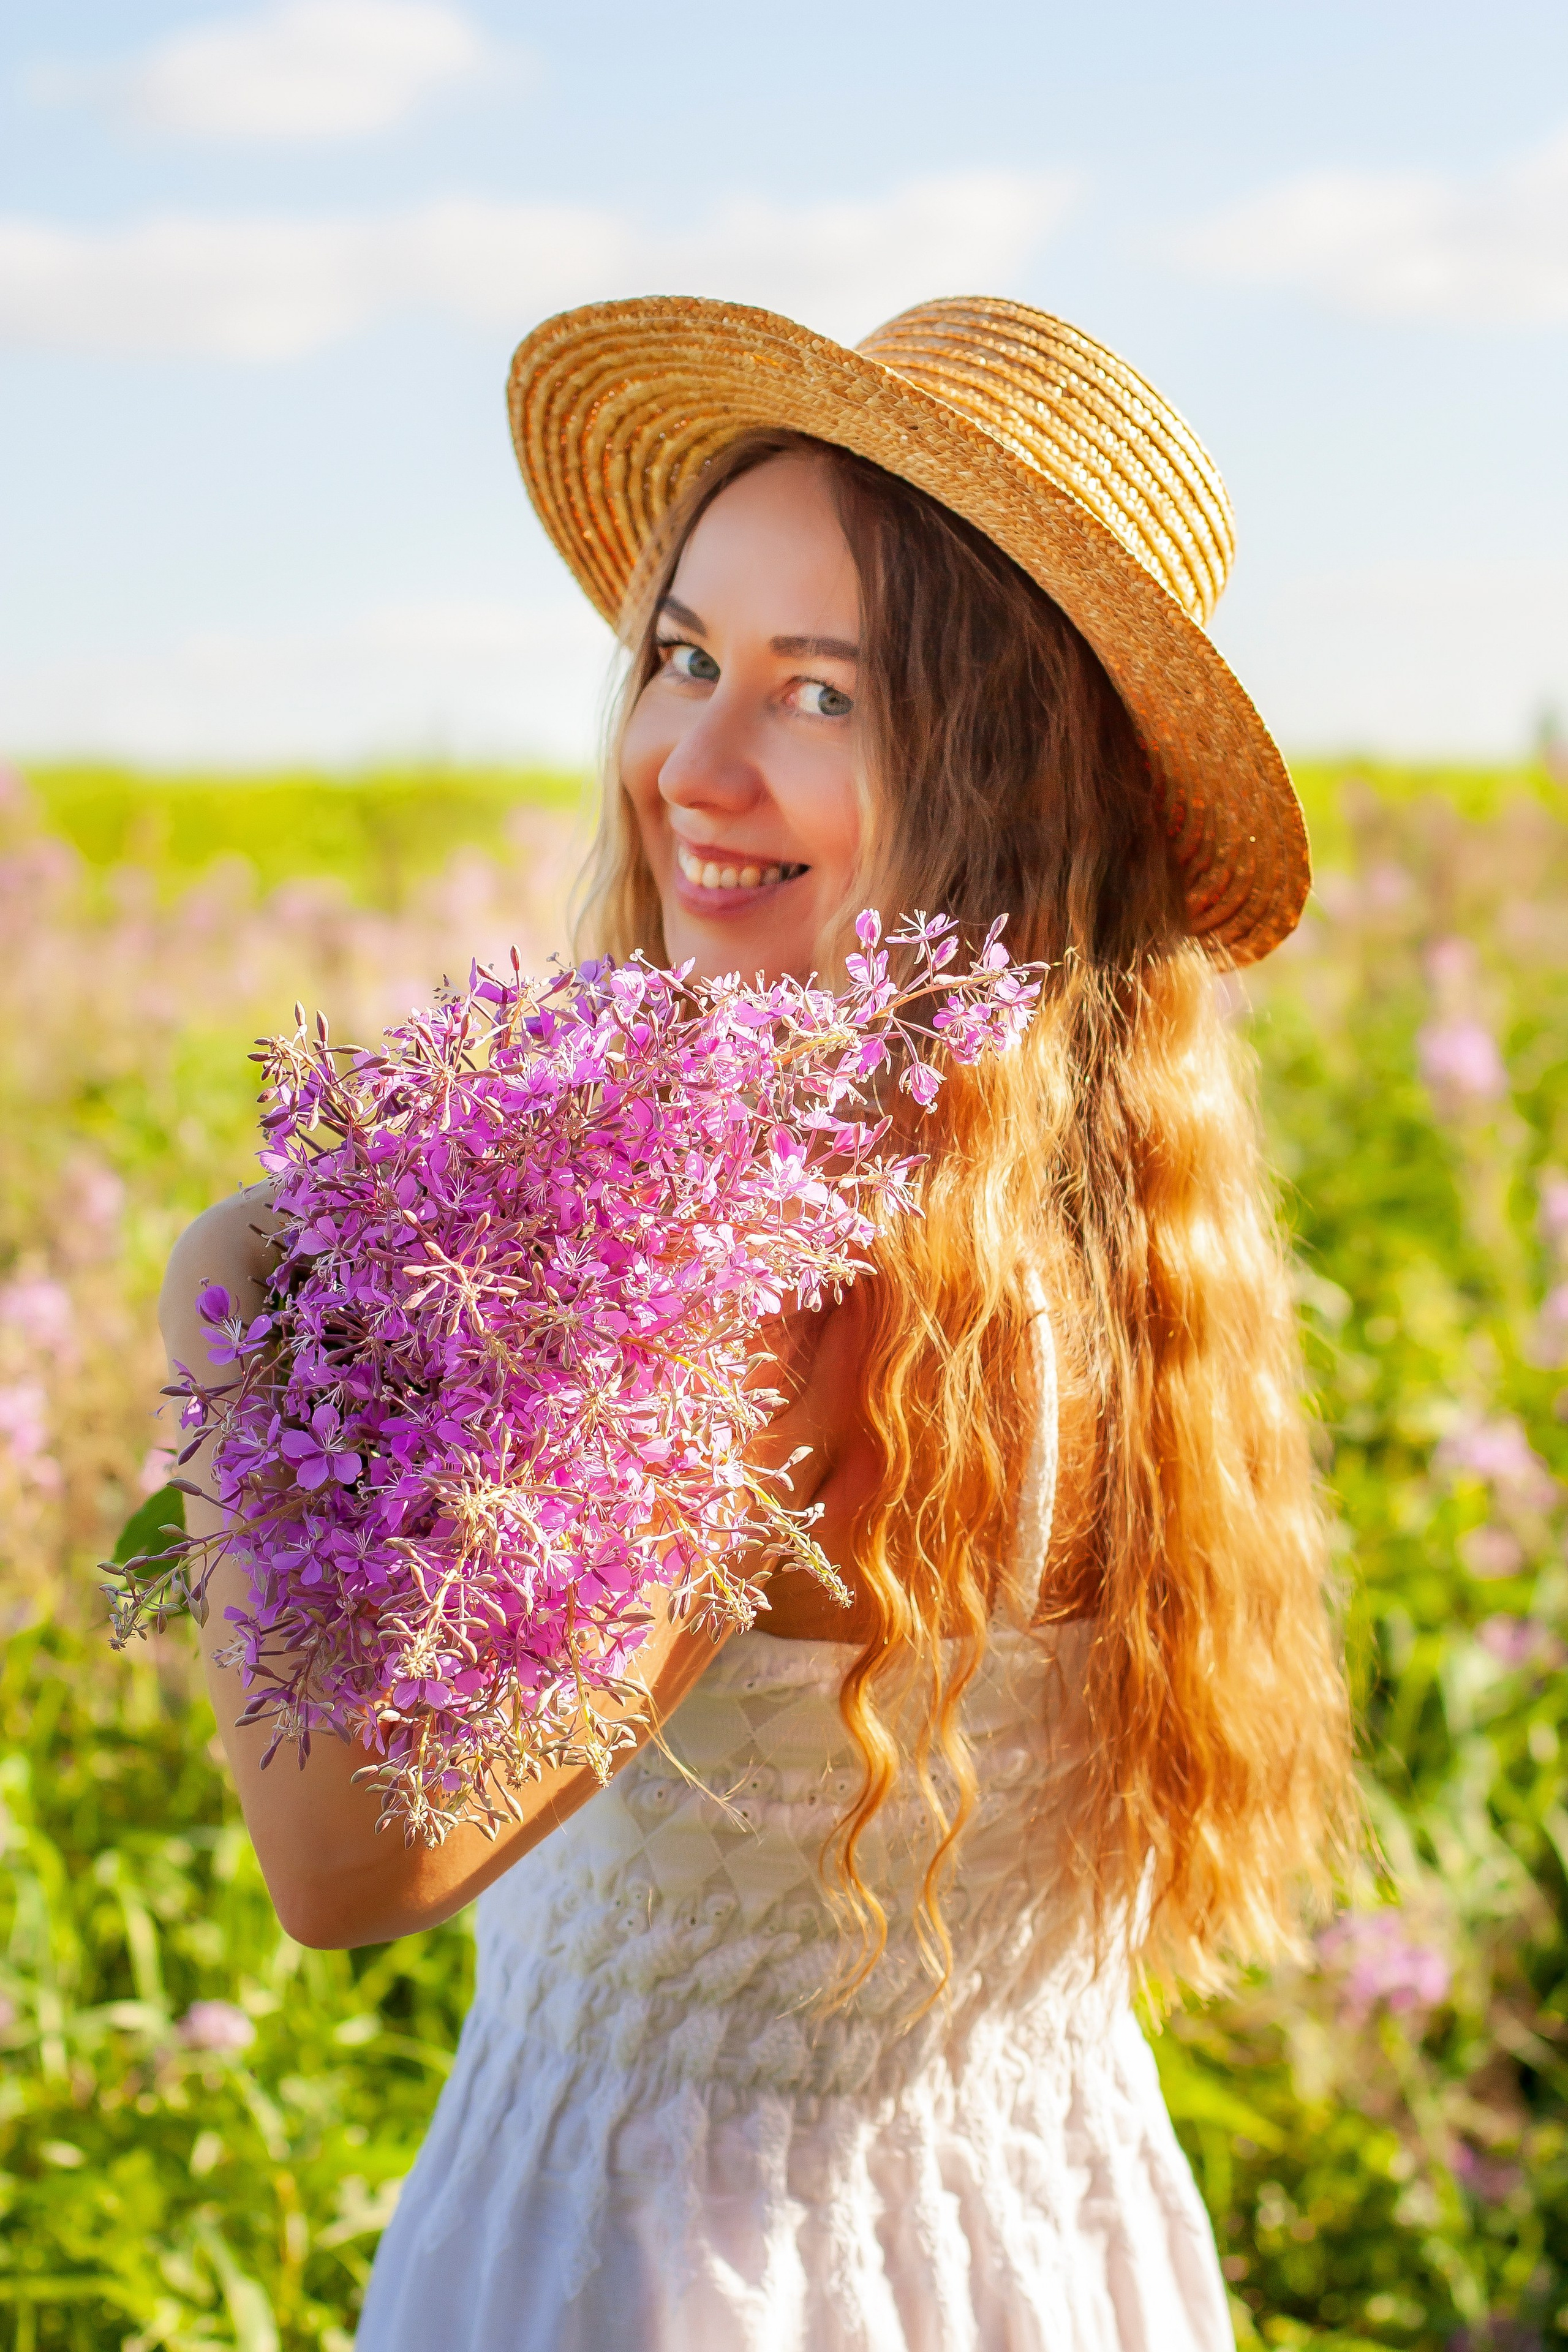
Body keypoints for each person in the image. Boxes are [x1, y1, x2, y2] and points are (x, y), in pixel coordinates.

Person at [163, 295, 1352, 2351]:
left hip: (681, 2273)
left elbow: (357, 1864)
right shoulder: (1102, 1223)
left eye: (820, 695)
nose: (689, 766)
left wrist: (237, 1287)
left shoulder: (775, 1275)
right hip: (1035, 2238)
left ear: (1007, 778)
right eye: (686, 658)